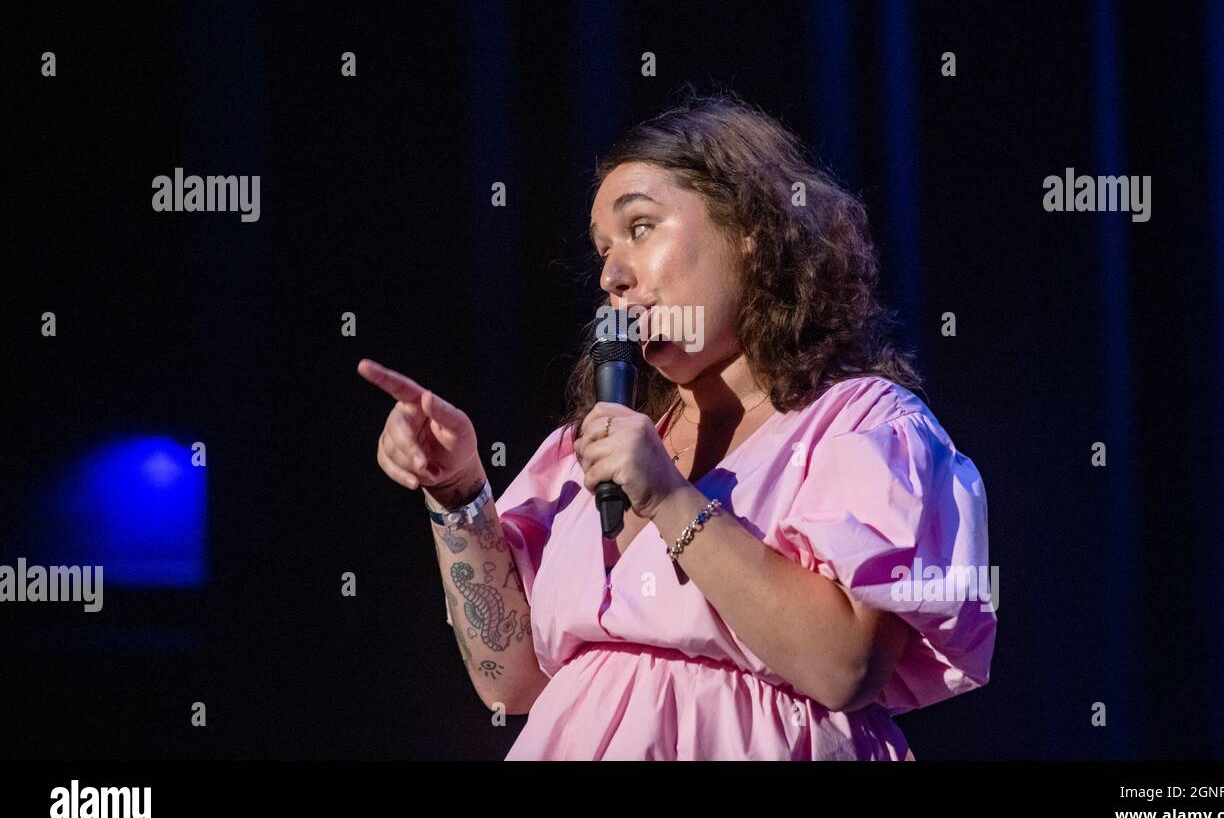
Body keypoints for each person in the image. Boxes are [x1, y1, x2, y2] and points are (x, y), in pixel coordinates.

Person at [359, 90, 995, 759]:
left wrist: (669, 499)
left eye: (640, 229)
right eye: (602, 249)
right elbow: (510, 682)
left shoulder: (861, 425)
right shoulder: (596, 448)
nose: (611, 273)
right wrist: (458, 492)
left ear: (751, 229)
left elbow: (845, 669)